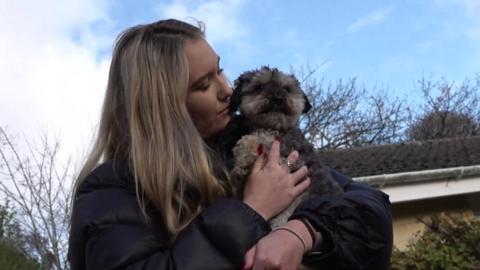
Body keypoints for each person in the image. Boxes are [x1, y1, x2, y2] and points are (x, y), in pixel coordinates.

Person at [68, 19, 393, 270]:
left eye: (220, 70)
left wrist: (301, 232)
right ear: (163, 107)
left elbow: (371, 211)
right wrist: (250, 211)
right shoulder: (110, 191)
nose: (226, 89)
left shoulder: (256, 145)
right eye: (203, 84)